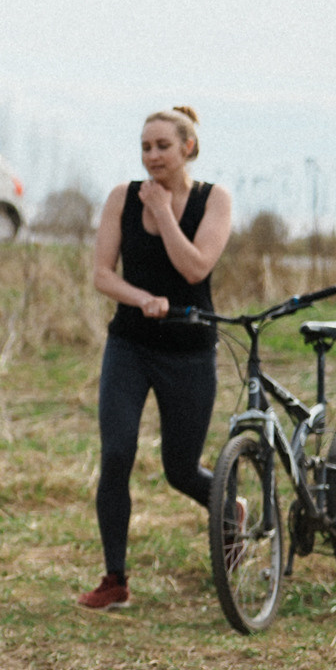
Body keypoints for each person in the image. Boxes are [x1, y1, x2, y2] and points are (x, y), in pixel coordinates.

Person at [79, 106, 237, 610]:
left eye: (162, 146)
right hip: (130, 345)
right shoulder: (122, 198)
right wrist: (138, 298)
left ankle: (230, 511)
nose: (152, 157)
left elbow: (195, 268)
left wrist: (166, 213)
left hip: (189, 351)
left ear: (187, 148)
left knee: (179, 469)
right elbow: (103, 274)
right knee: (117, 453)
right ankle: (115, 580)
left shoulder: (215, 201)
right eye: (145, 147)